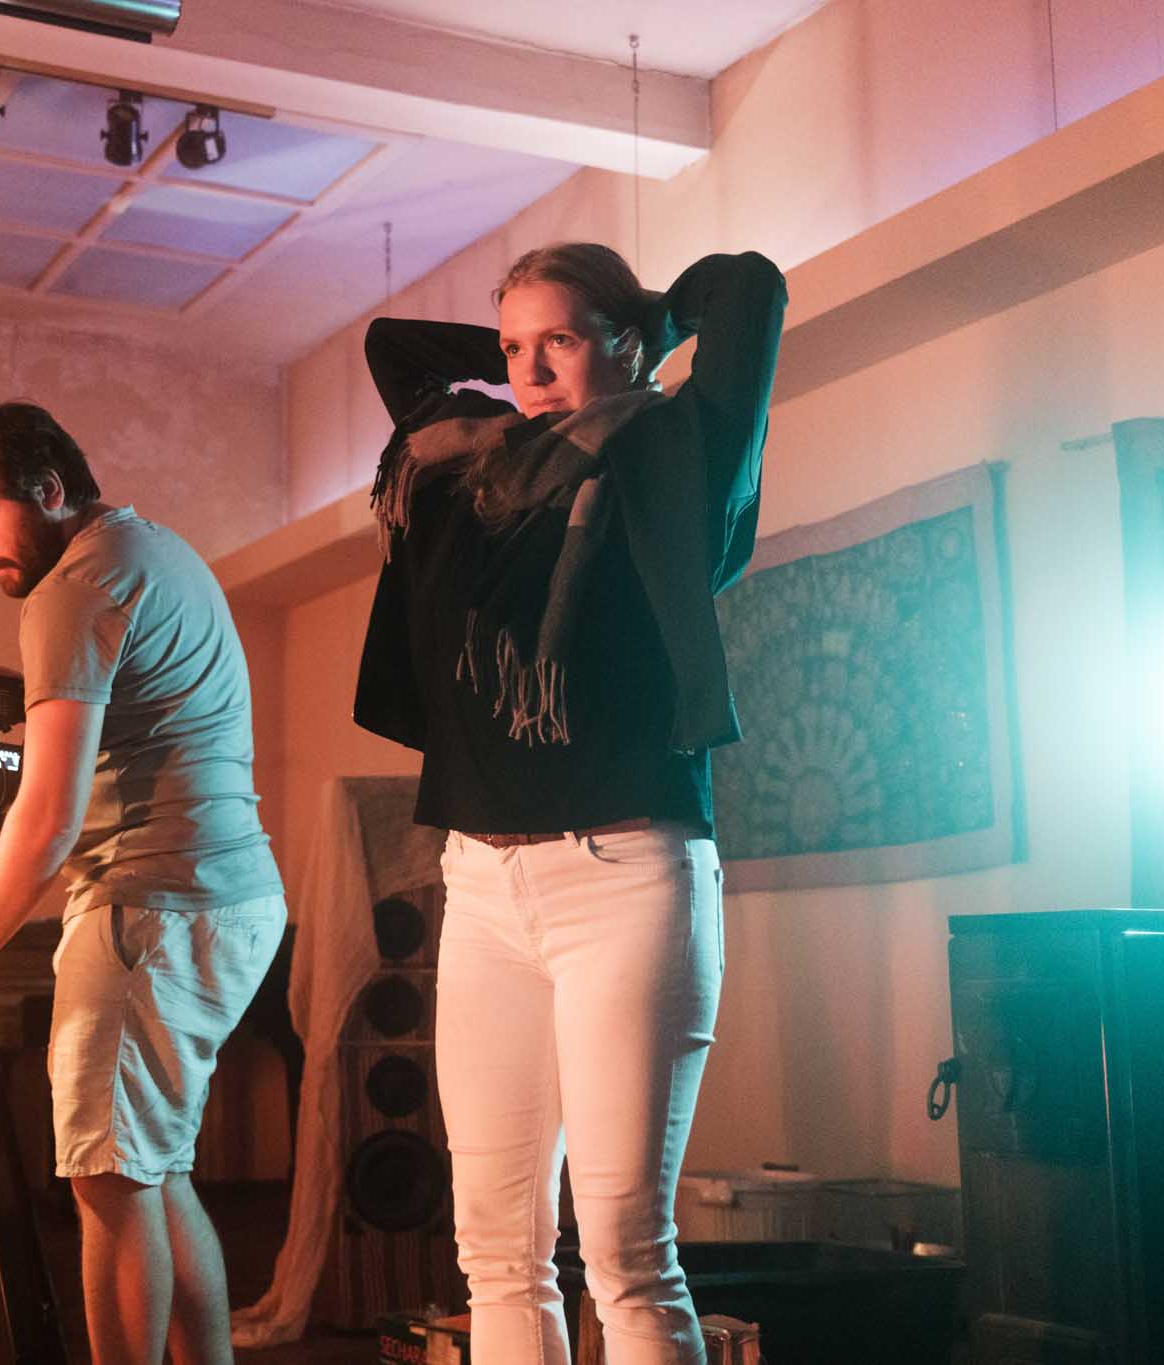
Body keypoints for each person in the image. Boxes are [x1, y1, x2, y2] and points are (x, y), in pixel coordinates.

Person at [353, 244, 787, 1365]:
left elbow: (745, 288)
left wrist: (637, 329)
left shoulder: (674, 453)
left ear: (626, 340)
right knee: (494, 1254)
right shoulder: (465, 475)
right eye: (509, 348)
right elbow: (390, 347)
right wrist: (541, 339)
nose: (527, 370)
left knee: (626, 1256)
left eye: (556, 340)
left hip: (624, 878)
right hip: (482, 885)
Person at [0, 401, 287, 1365]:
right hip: (235, 897)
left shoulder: (70, 587)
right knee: (154, 1171)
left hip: (151, 906)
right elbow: (97, 753)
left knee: (108, 1180)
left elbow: (49, 818)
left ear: (48, 491)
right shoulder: (160, 553)